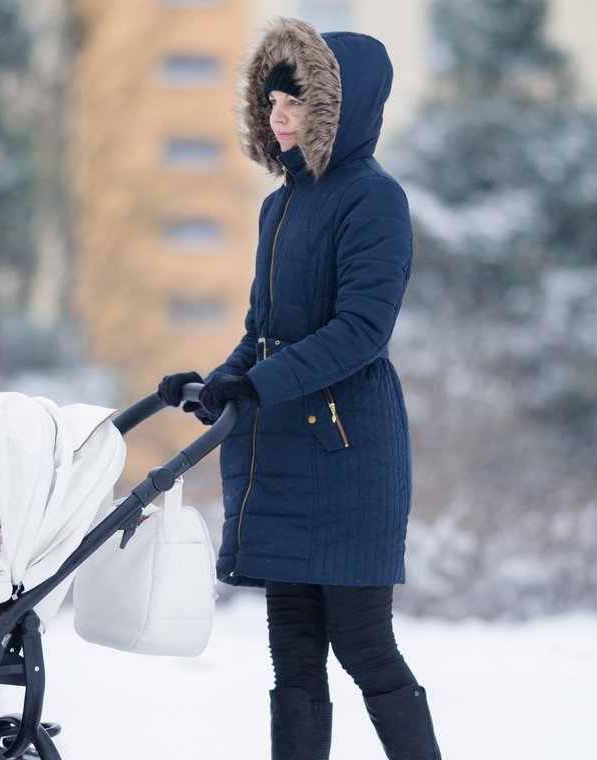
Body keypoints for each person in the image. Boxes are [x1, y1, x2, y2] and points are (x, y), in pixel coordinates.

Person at [157, 17, 440, 760]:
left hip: (348, 450)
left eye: (295, 104)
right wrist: (224, 380)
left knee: (363, 643)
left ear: (334, 111)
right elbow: (262, 327)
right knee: (292, 655)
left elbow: (361, 330)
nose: (278, 117)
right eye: (272, 102)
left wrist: (262, 385)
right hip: (283, 443)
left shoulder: (374, 199)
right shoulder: (279, 205)